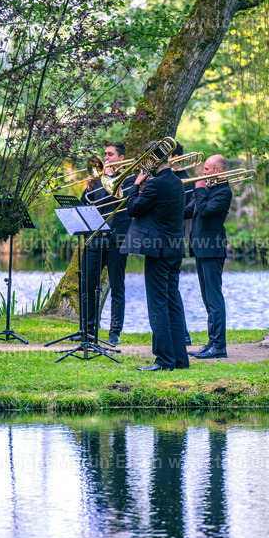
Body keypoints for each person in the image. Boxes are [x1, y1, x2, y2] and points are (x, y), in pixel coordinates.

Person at [120, 140, 189, 371]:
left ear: (152, 158)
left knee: (158, 305)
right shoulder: (178, 182)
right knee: (172, 303)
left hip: (158, 250)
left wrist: (137, 184)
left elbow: (132, 208)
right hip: (175, 248)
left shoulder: (155, 185)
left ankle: (163, 360)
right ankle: (180, 360)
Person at [82, 142, 136, 345]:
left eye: (110, 154)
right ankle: (88, 330)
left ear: (121, 158)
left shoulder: (130, 179)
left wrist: (114, 178)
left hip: (117, 239)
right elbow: (85, 204)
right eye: (105, 154)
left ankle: (115, 332)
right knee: (88, 285)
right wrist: (89, 186)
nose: (106, 157)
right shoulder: (97, 179)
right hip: (95, 238)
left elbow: (129, 204)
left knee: (117, 287)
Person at [185, 154, 232, 359]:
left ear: (217, 171)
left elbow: (204, 211)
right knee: (207, 299)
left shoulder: (224, 192)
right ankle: (212, 342)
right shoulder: (209, 190)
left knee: (214, 299)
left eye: (205, 169)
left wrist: (200, 190)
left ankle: (219, 346)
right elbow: (188, 211)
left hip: (213, 249)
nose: (201, 173)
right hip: (201, 248)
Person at [167, 143, 194, 347]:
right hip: (165, 237)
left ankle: (182, 334)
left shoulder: (186, 180)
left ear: (175, 157)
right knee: (168, 290)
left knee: (171, 290)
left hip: (173, 237)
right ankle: (179, 334)